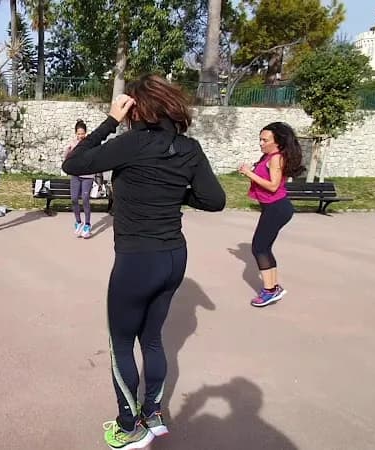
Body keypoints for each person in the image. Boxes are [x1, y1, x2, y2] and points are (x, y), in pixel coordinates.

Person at [62, 75, 226, 449]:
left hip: (138, 259)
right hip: (173, 258)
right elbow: (214, 199)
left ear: (136, 107)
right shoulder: (189, 147)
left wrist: (110, 121)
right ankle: (152, 414)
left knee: (121, 342)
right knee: (151, 339)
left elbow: (75, 163)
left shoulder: (130, 142)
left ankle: (128, 425)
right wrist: (174, 194)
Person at [238, 122, 304, 307]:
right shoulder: (269, 156)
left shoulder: (276, 158)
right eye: (260, 139)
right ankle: (274, 287)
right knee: (264, 247)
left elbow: (273, 186)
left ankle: (269, 291)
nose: (261, 143)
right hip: (274, 207)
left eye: (265, 140)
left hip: (277, 207)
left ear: (278, 142)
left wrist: (249, 174)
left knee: (259, 248)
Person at [63, 120, 95, 238]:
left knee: (85, 198)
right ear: (75, 133)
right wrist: (68, 148)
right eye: (78, 133)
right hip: (76, 175)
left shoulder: (90, 143)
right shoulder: (73, 143)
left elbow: (95, 158)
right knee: (74, 199)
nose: (80, 136)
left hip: (88, 176)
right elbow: (66, 158)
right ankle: (78, 222)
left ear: (86, 133)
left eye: (82, 133)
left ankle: (87, 224)